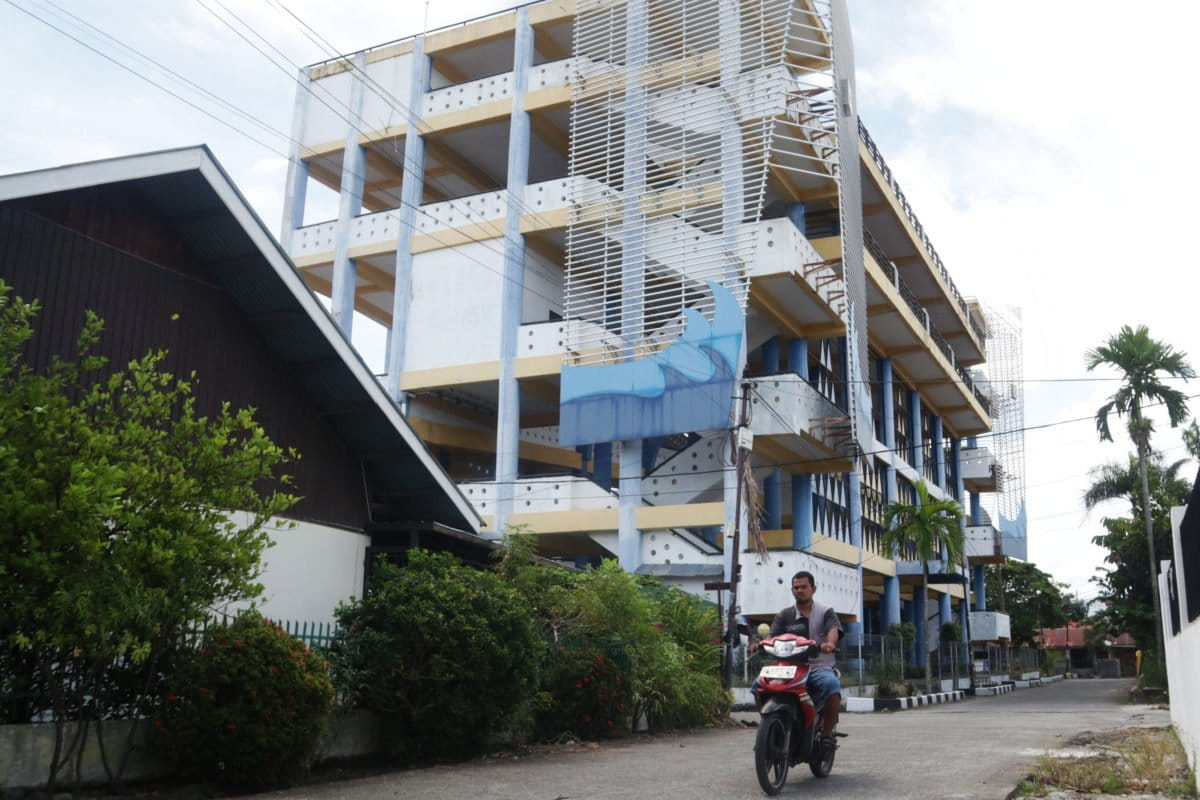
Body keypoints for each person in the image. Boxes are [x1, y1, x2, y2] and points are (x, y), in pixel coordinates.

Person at [753, 570, 843, 748]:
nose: (799, 590)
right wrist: (761, 644)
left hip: (818, 666)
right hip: (789, 667)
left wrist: (829, 644)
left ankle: (827, 735)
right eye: (796, 587)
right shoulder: (784, 615)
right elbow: (772, 637)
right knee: (757, 685)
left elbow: (833, 629)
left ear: (813, 589)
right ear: (792, 590)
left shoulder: (825, 611)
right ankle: (767, 727)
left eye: (803, 587)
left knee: (832, 686)